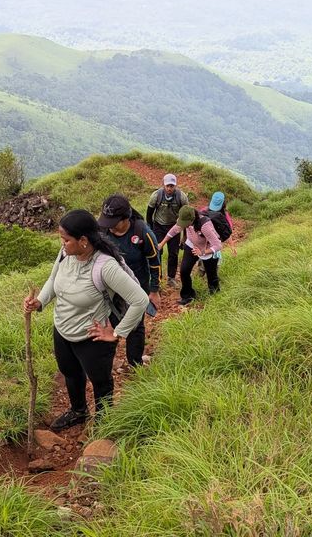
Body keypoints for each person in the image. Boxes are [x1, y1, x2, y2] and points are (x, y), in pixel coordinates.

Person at [23, 210, 149, 431]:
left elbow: (140, 299)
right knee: (70, 372)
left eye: (66, 239)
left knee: (100, 381)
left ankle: (104, 420)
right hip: (62, 330)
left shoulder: (105, 266)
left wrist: (117, 333)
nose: (62, 244)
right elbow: (53, 280)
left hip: (92, 336)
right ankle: (79, 410)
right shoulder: (65, 254)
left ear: (83, 241)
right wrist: (40, 302)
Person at [98, 194, 161, 367]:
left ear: (126, 218)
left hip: (136, 286)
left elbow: (154, 262)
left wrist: (154, 290)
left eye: (113, 223)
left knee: (135, 323)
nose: (109, 228)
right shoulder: (102, 230)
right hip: (109, 289)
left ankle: (135, 362)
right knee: (110, 322)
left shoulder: (142, 232)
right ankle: (105, 364)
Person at [158, 205, 222, 305]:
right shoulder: (184, 220)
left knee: (212, 276)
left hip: (207, 250)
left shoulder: (205, 226)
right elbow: (174, 230)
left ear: (192, 219)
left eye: (185, 223)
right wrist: (162, 243)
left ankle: (215, 298)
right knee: (184, 270)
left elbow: (218, 245)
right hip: (191, 245)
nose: (183, 225)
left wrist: (203, 252)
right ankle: (188, 296)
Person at [146, 173, 188, 288]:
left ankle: (171, 278)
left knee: (173, 253)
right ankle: (157, 278)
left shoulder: (182, 197)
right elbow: (149, 214)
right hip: (158, 226)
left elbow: (186, 217)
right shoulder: (156, 196)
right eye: (167, 186)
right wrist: (149, 230)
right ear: (163, 185)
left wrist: (185, 236)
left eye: (172, 186)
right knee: (157, 252)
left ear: (175, 186)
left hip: (174, 227)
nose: (169, 188)